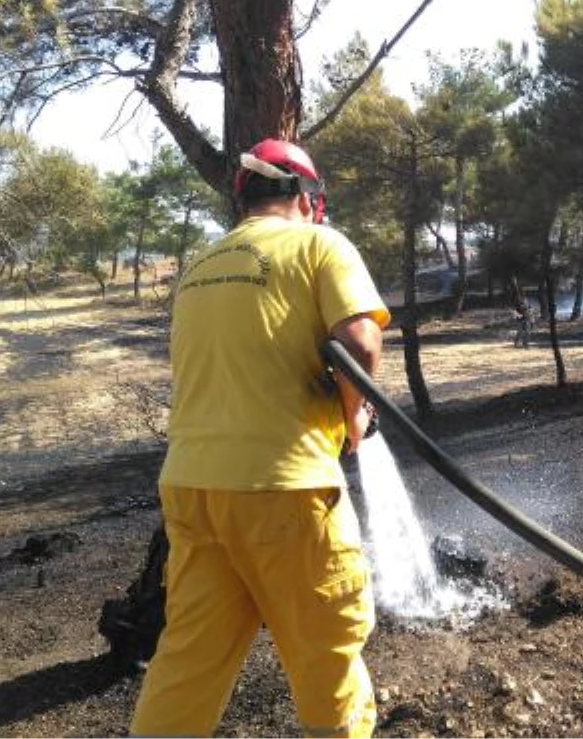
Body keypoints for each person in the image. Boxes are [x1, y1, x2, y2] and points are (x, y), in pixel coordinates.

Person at [130, 138, 389, 738]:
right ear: (305, 197)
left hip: (193, 489)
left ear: (244, 197)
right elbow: (359, 340)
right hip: (284, 489)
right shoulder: (320, 243)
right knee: (328, 651)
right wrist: (355, 418)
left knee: (189, 659)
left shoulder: (199, 267)